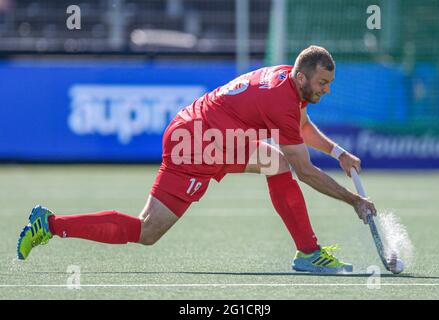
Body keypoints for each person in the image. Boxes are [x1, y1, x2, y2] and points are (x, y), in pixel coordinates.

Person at [17, 45, 376, 273]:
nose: (326, 90)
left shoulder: (288, 79)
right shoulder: (282, 98)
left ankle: (308, 252)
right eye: (323, 83)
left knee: (276, 162)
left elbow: (302, 124)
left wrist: (339, 152)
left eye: (328, 83)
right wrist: (354, 200)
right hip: (199, 143)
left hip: (212, 134)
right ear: (302, 77)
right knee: (147, 231)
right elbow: (306, 172)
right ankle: (49, 225)